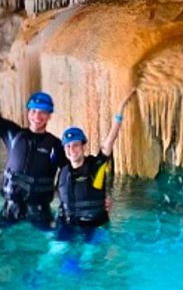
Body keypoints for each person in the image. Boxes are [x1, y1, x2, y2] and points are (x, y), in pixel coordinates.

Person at [0, 48, 66, 228]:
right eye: (34, 111)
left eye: (43, 113)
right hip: (11, 208)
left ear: (49, 115)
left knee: (53, 249)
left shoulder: (55, 145)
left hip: (40, 211)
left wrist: (99, 199)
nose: (38, 116)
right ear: (29, 112)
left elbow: (73, 173)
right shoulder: (13, 134)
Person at [56, 89, 136, 238]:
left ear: (83, 146)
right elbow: (61, 199)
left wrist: (119, 112)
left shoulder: (95, 166)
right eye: (68, 146)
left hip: (95, 227)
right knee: (57, 255)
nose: (71, 149)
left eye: (75, 145)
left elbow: (108, 144)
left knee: (88, 256)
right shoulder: (64, 172)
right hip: (69, 225)